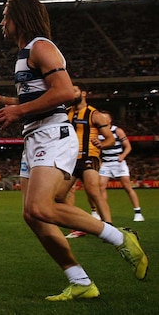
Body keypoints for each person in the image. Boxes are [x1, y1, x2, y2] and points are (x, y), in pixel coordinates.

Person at [0, 0, 147, 301]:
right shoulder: (24, 52)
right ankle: (79, 281)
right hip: (35, 136)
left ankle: (120, 237)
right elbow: (35, 97)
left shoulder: (42, 46)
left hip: (52, 133)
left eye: (5, 16)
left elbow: (65, 92)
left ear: (21, 18)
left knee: (41, 207)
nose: (2, 22)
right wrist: (5, 102)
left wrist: (19, 112)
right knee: (33, 215)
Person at [63, 83, 115, 237]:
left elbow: (110, 139)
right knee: (59, 195)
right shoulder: (66, 113)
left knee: (93, 191)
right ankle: (81, 224)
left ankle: (109, 227)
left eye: (75, 91)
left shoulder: (94, 114)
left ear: (83, 93)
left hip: (89, 157)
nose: (71, 94)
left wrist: (102, 144)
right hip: (70, 159)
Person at [97, 112, 144, 222]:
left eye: (104, 118)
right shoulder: (98, 132)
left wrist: (122, 156)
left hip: (118, 163)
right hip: (106, 163)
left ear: (109, 120)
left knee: (127, 187)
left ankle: (138, 212)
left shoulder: (117, 130)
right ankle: (102, 213)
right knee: (100, 187)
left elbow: (128, 146)